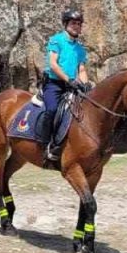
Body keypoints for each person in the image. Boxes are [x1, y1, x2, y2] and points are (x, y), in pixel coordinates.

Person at [43, 9, 89, 160]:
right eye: (73, 23)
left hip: (72, 86)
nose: (76, 26)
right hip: (54, 84)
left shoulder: (80, 49)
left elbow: (81, 69)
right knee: (52, 109)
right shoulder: (56, 40)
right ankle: (47, 143)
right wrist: (68, 79)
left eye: (79, 24)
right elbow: (53, 65)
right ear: (66, 24)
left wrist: (85, 84)